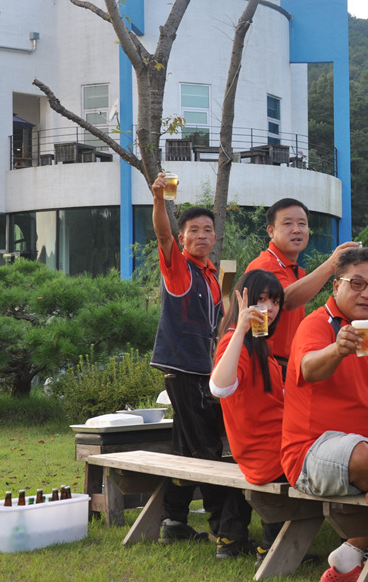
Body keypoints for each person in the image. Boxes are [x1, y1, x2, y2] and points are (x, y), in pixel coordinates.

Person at [282, 246, 368, 582]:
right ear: (336, 285)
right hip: (311, 452)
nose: (367, 293)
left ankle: (351, 553)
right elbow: (309, 369)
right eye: (357, 284)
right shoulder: (317, 324)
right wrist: (338, 349)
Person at [148, 173, 232, 550]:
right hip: (184, 369)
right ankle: (224, 530)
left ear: (215, 237)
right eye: (193, 230)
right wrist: (159, 199)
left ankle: (174, 521)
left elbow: (219, 324)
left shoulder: (213, 276)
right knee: (206, 447)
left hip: (204, 370)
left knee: (185, 447)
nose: (201, 235)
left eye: (207, 230)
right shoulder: (179, 268)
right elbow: (162, 235)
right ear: (182, 238)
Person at [209, 270, 288, 565]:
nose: (269, 308)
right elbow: (219, 388)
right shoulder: (237, 341)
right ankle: (272, 546)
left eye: (275, 301)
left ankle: (232, 538)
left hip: (261, 448)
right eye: (262, 299)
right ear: (243, 301)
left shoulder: (260, 345)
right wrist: (240, 330)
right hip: (270, 452)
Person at [246, 198, 359, 361]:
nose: (296, 230)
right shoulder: (265, 264)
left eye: (302, 224)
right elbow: (286, 299)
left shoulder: (292, 269)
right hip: (265, 362)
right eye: (287, 224)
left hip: (284, 363)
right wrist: (331, 264)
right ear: (271, 231)